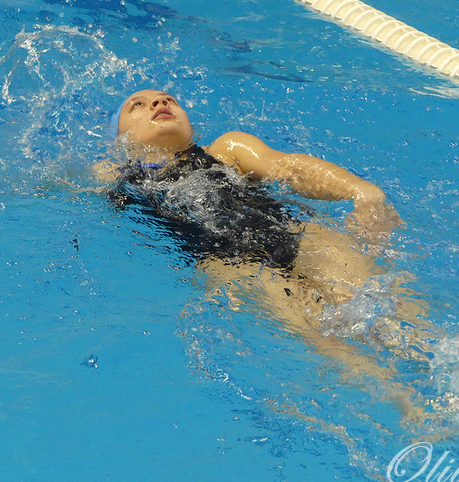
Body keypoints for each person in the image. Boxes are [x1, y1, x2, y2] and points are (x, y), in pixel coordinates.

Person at [94, 89, 432, 387]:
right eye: (137, 105)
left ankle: (436, 358)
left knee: (390, 305)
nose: (159, 103)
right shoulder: (118, 175)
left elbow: (289, 168)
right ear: (119, 138)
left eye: (169, 99)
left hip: (294, 234)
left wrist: (361, 191)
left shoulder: (226, 149)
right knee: (323, 339)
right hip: (230, 264)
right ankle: (405, 403)